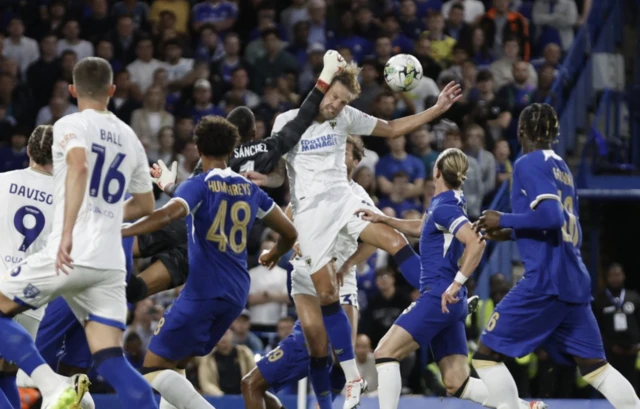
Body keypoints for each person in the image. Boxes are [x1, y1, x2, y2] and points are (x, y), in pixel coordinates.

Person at [267, 66, 462, 409]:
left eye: (344, 102)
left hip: (343, 201)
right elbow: (275, 176)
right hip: (310, 215)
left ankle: (436, 292)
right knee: (326, 296)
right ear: (320, 88)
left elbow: (390, 128)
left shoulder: (345, 117)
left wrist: (437, 110)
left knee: (393, 240)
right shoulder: (286, 122)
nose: (337, 106)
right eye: (334, 98)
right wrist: (259, 184)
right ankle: (343, 384)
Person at [0, 57, 158, 408]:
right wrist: (105, 214)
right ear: (113, 91)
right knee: (113, 361)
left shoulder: (70, 123)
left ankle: (50, 384)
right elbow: (146, 205)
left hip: (70, 253)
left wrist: (70, 228)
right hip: (111, 264)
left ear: (72, 90)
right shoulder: (130, 137)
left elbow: (78, 164)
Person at [120, 115, 298, 409]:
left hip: (203, 292)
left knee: (152, 369)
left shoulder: (201, 183)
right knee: (175, 365)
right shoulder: (251, 189)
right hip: (236, 295)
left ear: (198, 150)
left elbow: (168, 215)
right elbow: (290, 233)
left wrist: (124, 230)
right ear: (232, 151)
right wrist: (276, 253)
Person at [473, 103, 640, 409]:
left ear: (521, 131)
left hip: (544, 282)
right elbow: (554, 226)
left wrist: (504, 220)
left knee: (486, 356)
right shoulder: (562, 168)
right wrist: (513, 232)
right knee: (595, 367)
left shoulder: (526, 163)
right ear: (556, 134)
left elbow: (551, 219)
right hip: (572, 280)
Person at [356, 148, 543, 409]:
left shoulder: (445, 207)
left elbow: (476, 242)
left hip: (439, 297)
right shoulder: (445, 203)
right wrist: (384, 218)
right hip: (450, 303)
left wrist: (456, 283)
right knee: (457, 382)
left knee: (385, 353)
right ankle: (524, 407)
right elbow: (422, 228)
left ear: (436, 171)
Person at [0, 126, 55, 408]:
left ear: (29, 151)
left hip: (1, 290)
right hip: (34, 298)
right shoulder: (67, 196)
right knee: (7, 376)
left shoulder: (3, 181)